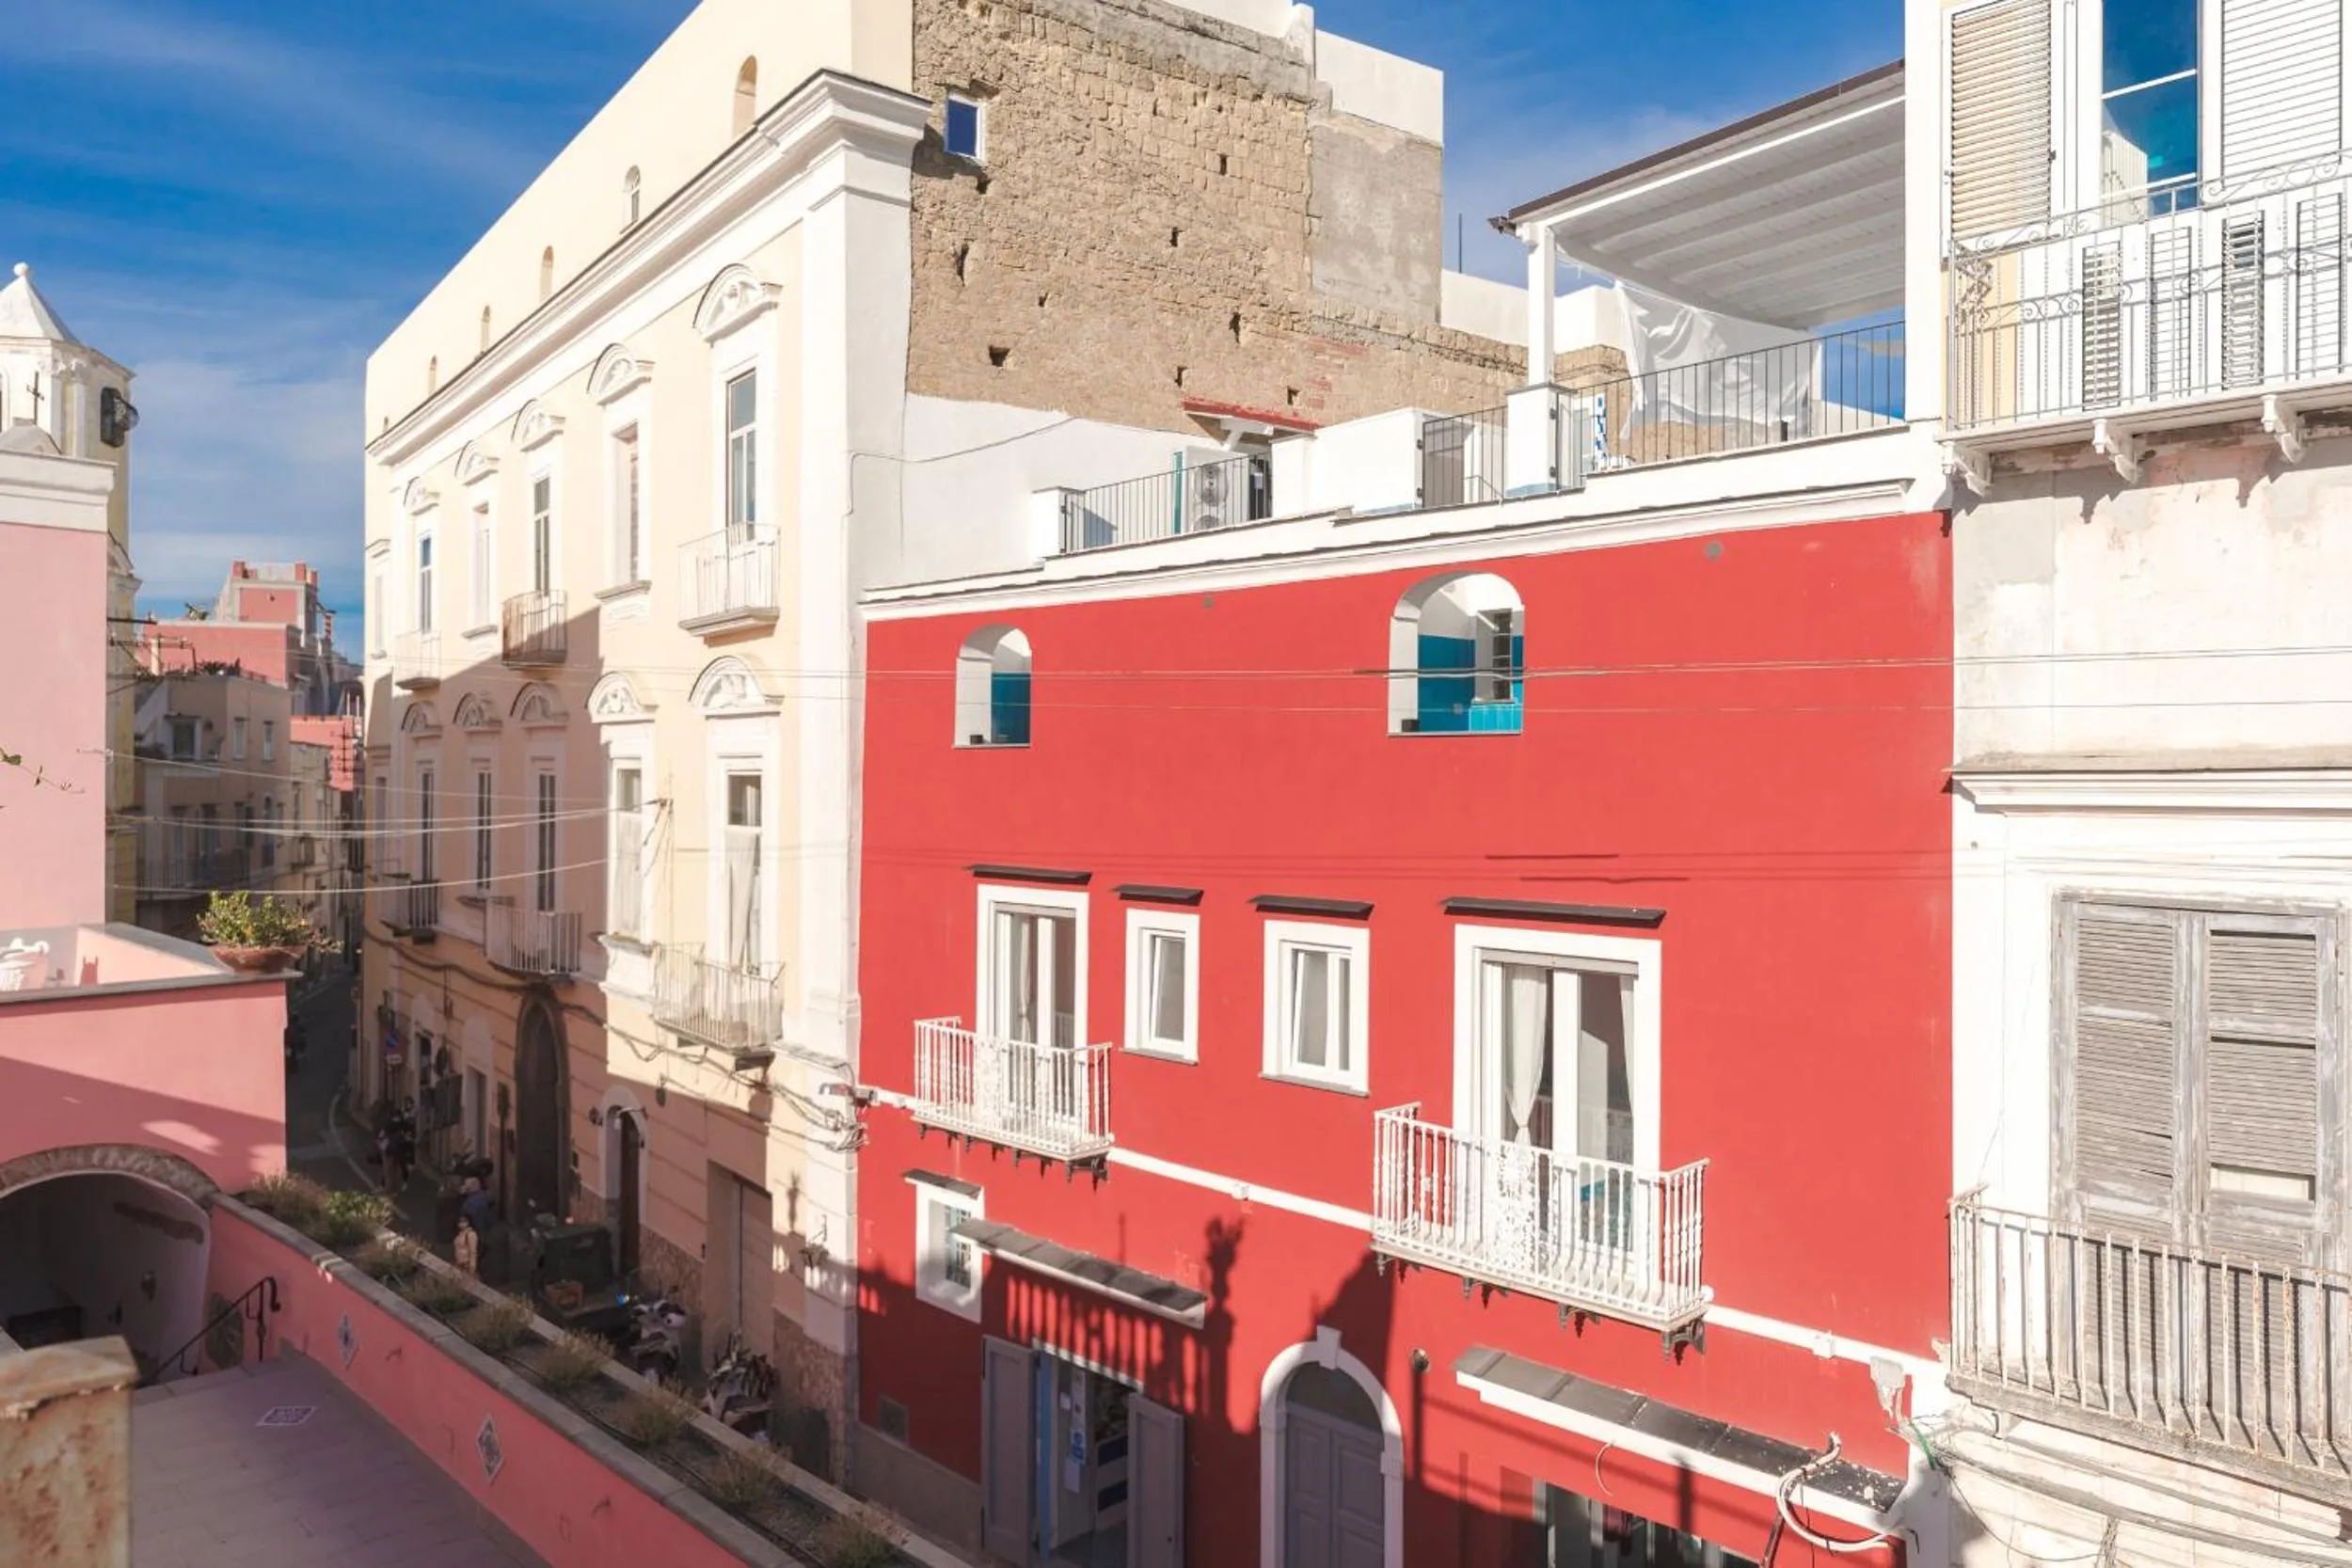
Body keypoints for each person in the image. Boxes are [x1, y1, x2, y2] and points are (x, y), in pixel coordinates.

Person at [453, 1212, 480, 1276]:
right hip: (459, 1264)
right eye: (460, 1221)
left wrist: (472, 1266)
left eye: (464, 1221)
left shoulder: (470, 1234)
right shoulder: (459, 1234)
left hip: (467, 1264)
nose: (462, 1223)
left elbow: (473, 1251)